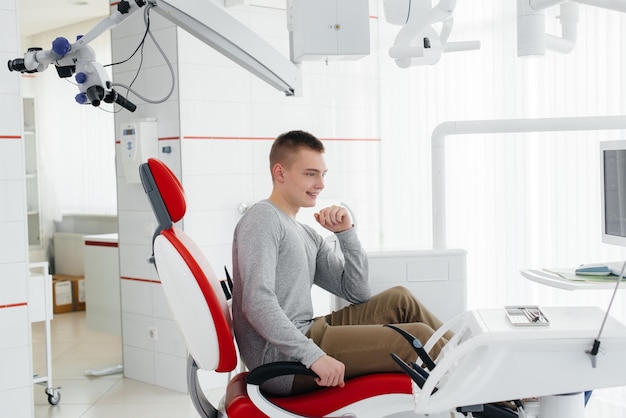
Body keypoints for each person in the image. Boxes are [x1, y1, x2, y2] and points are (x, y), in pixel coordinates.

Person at [231, 130, 453, 395]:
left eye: (323, 174)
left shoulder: (305, 232)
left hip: (309, 332)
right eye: (310, 173)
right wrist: (313, 356)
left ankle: (477, 358)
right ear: (280, 173)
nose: (321, 184)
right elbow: (256, 302)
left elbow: (357, 292)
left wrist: (346, 234)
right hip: (283, 359)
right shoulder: (263, 219)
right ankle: (491, 391)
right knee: (418, 337)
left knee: (399, 300)